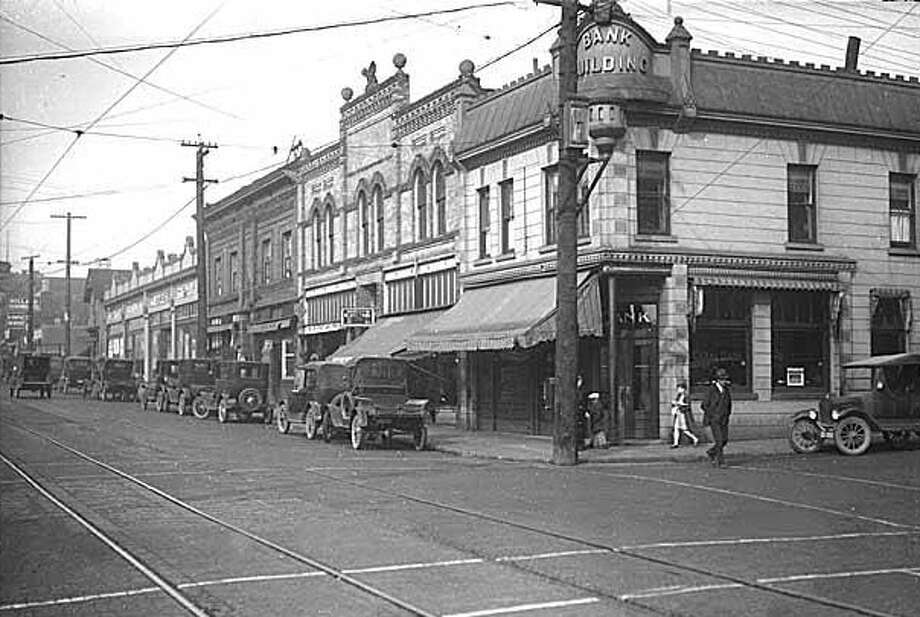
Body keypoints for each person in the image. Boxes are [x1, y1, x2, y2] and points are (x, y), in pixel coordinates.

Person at [700, 368, 732, 466]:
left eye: (725, 379)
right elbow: (704, 405)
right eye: (722, 379)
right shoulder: (711, 390)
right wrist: (712, 415)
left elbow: (729, 404)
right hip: (714, 419)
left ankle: (711, 452)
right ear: (718, 380)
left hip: (723, 419)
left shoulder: (726, 390)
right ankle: (720, 461)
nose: (724, 381)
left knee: (724, 440)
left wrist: (727, 414)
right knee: (719, 440)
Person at [670, 381, 698, 448]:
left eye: (679, 388)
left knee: (684, 429)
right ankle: (675, 443)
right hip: (678, 413)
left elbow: (688, 406)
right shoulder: (679, 396)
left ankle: (694, 438)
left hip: (683, 414)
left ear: (683, 389)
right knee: (676, 428)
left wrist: (680, 404)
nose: (678, 390)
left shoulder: (686, 396)